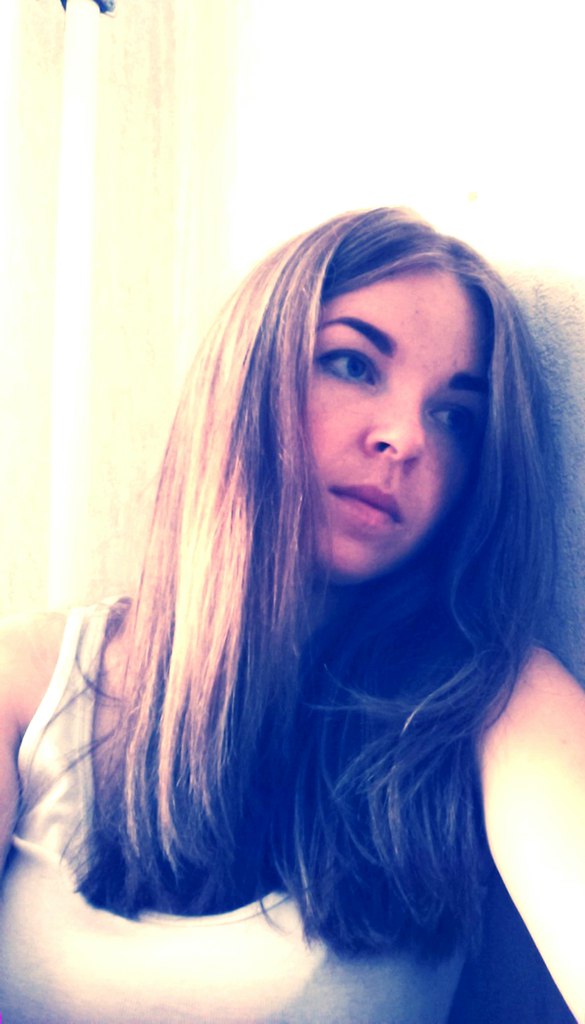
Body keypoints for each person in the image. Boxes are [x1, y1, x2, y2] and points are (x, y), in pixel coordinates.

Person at [0, 208, 583, 1023]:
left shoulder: (494, 701)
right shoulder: (31, 683)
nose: (406, 437)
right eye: (352, 364)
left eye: (455, 415)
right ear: (245, 378)